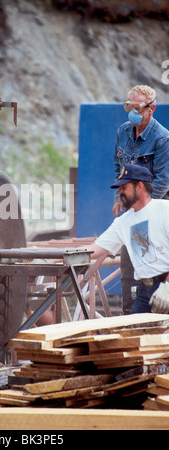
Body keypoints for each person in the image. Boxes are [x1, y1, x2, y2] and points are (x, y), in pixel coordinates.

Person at [113, 85, 169, 314]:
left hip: (155, 209)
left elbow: (163, 181)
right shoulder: (123, 132)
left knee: (153, 266)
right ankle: (129, 319)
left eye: (137, 107)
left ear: (151, 109)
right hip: (134, 209)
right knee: (129, 266)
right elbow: (119, 168)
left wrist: (141, 210)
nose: (132, 112)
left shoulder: (162, 139)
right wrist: (121, 197)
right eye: (129, 106)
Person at [88, 163, 169, 315]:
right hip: (143, 290)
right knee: (137, 334)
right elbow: (95, 249)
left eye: (124, 188)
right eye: (119, 189)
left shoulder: (164, 209)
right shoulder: (122, 222)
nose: (120, 193)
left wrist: (168, 287)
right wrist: (59, 257)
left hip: (166, 284)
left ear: (139, 186)